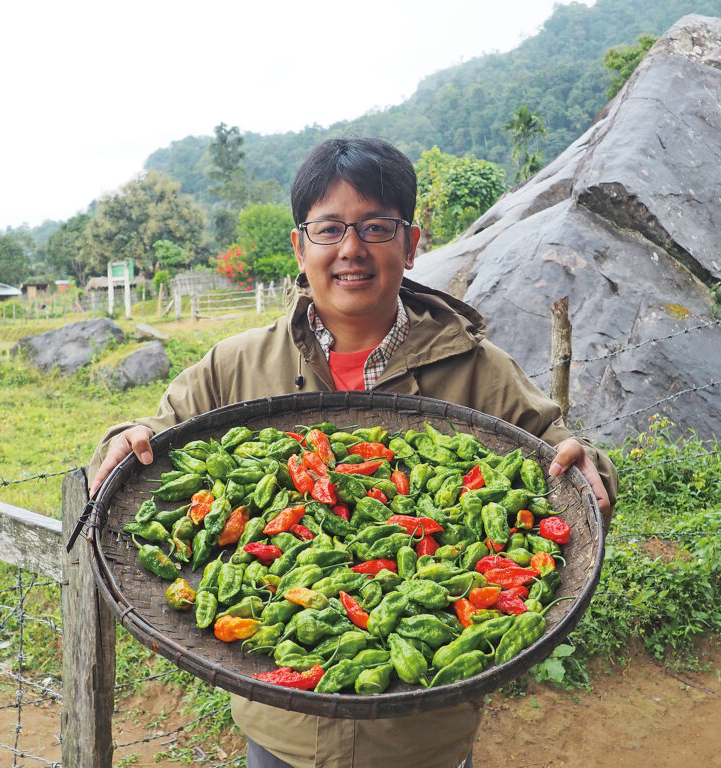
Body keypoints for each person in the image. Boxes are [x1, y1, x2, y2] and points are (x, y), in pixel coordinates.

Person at [89, 137, 617, 768]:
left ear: (411, 242)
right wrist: (121, 439)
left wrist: (588, 469)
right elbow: (153, 442)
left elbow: (557, 462)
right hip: (281, 731)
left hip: (425, 732)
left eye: (374, 227)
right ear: (299, 246)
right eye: (330, 228)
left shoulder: (479, 369)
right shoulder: (236, 366)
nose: (351, 249)